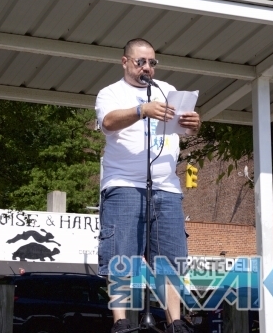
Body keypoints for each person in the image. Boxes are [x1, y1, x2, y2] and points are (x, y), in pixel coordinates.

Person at [95, 38, 201, 333]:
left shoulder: (167, 90)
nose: (147, 67)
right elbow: (108, 122)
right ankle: (121, 321)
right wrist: (142, 110)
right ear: (125, 62)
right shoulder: (111, 92)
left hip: (166, 187)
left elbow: (185, 129)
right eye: (140, 61)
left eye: (152, 62)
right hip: (124, 184)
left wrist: (194, 123)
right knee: (121, 256)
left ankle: (175, 321)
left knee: (170, 258)